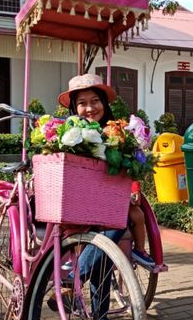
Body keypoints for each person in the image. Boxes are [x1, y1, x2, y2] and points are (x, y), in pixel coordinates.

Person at [58, 73, 154, 267]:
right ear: (74, 107)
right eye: (82, 103)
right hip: (80, 203)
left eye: (95, 101)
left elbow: (129, 169)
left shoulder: (117, 134)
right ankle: (76, 274)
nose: (90, 108)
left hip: (109, 200)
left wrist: (134, 190)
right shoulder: (68, 137)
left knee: (124, 218)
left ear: (104, 103)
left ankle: (79, 274)